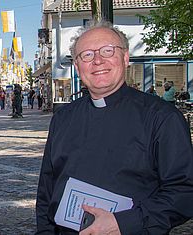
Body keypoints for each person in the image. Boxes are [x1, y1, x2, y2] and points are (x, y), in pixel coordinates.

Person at [36, 20, 193, 235]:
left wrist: (125, 223)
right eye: (87, 55)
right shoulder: (63, 118)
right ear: (77, 66)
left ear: (125, 58)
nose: (98, 61)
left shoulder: (162, 117)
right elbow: (47, 189)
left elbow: (184, 191)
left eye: (108, 51)